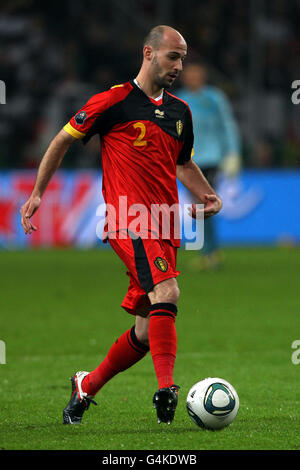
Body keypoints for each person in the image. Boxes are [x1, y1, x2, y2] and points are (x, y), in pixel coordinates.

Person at [20, 26, 222, 425]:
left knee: (147, 332)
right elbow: (61, 140)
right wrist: (39, 192)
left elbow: (182, 163)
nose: (179, 66)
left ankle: (86, 386)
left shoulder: (181, 112)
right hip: (128, 220)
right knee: (169, 290)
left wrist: (208, 195)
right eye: (172, 57)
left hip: (165, 223)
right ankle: (167, 389)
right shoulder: (113, 102)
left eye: (183, 58)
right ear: (148, 53)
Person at [176, 61, 241, 270]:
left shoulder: (214, 98)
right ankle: (210, 252)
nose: (193, 77)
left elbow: (227, 125)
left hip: (211, 158)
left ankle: (210, 252)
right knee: (200, 205)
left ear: (203, 76)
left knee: (204, 203)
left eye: (197, 74)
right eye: (190, 74)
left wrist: (232, 153)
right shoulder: (179, 100)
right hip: (187, 160)